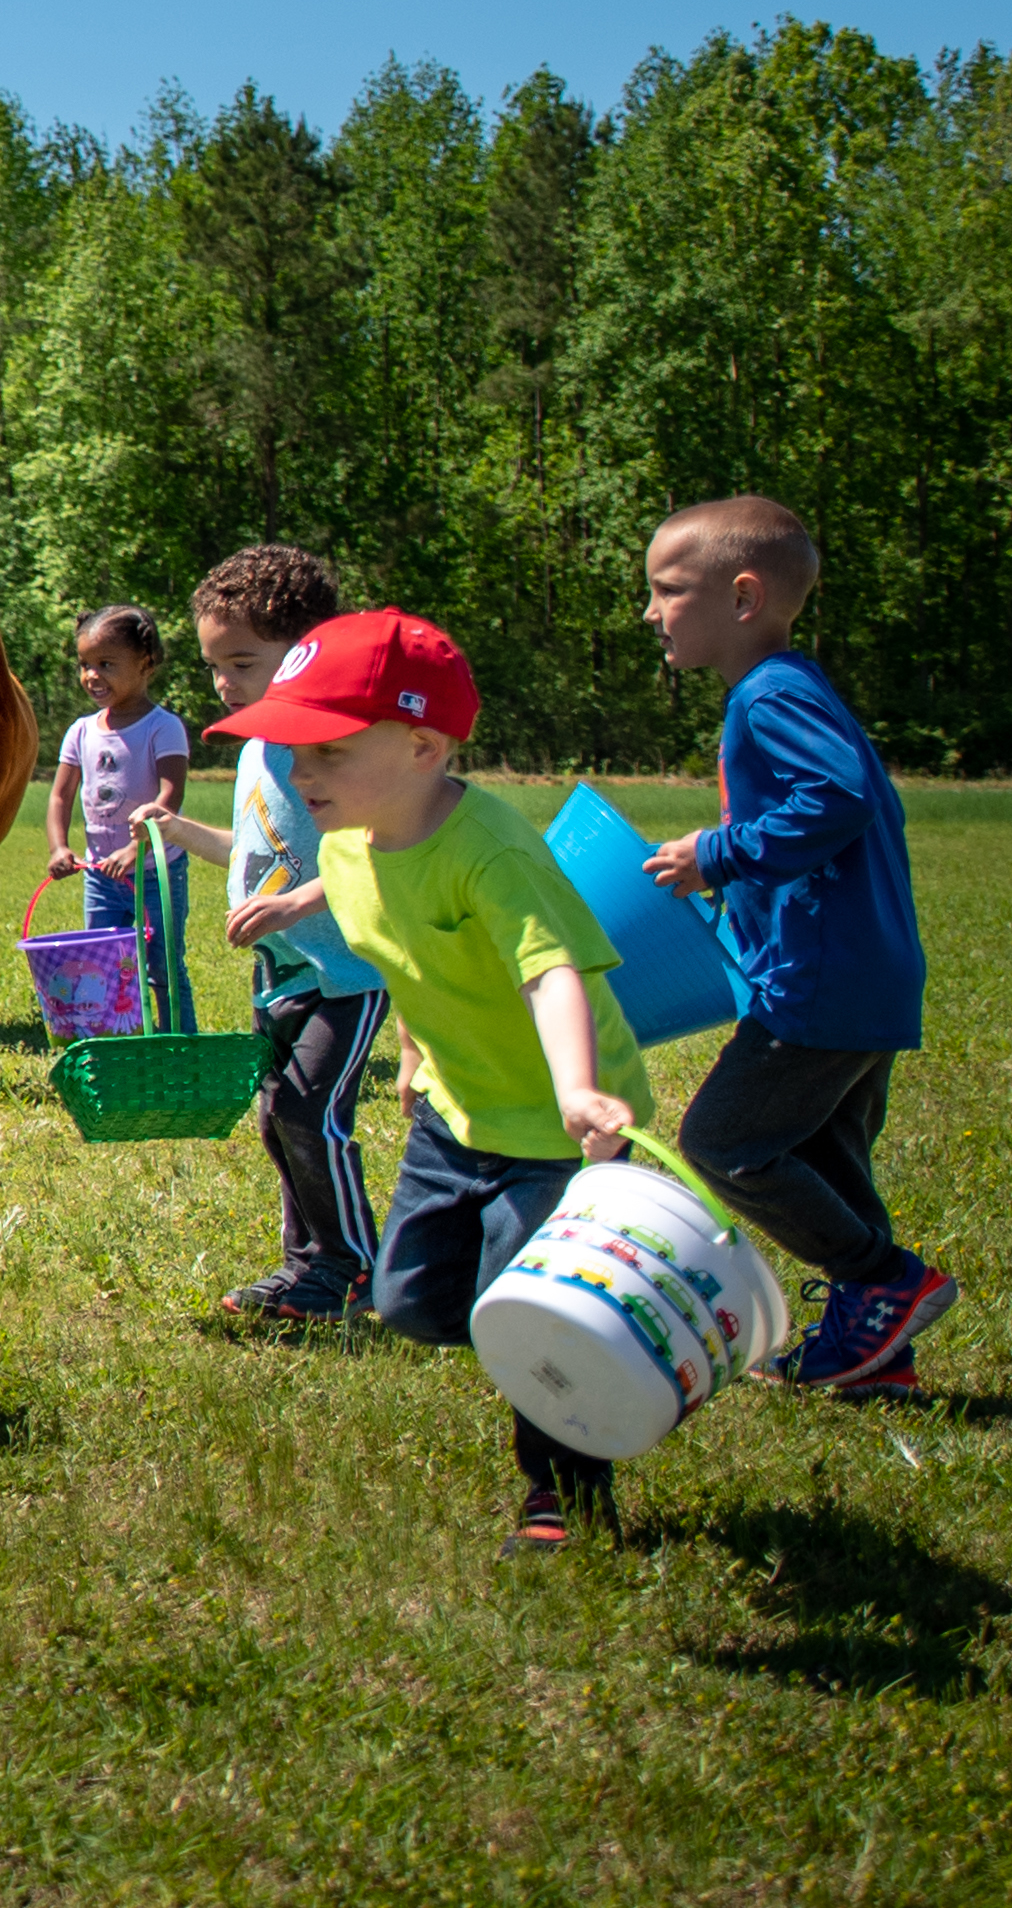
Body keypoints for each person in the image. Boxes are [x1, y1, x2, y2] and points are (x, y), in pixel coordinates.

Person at [210, 609, 651, 1556]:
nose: (297, 775)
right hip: (458, 1113)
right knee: (410, 1300)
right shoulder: (348, 840)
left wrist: (578, 1089)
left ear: (420, 745)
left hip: (558, 1124)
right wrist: (409, 1046)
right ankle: (576, 1342)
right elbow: (400, 939)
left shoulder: (492, 852)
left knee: (534, 1321)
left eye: (323, 752)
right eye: (289, 750)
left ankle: (563, 1493)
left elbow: (551, 971)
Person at [636, 497, 950, 1394]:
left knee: (726, 1142)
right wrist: (725, 862)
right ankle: (873, 1353)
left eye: (665, 590)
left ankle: (886, 1282)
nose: (649, 612)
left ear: (741, 597)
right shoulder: (792, 687)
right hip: (865, 978)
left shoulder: (767, 694)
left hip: (817, 986)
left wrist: (720, 853)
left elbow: (836, 796)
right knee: (821, 1153)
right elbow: (823, 808)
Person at [131, 547, 384, 1323]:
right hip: (279, 973)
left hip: (343, 974)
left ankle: (350, 1269)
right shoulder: (254, 750)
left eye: (241, 662)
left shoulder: (340, 743)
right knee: (278, 1118)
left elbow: (380, 852)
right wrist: (179, 831)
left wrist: (293, 905)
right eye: (213, 665)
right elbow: (252, 856)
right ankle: (302, 1264)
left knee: (311, 1114)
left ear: (306, 650)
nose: (222, 681)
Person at [46, 602, 197, 1032]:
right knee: (101, 968)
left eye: (106, 664)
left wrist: (137, 847)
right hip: (100, 878)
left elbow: (171, 795)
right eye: (85, 665)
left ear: (145, 664)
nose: (92, 676)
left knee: (163, 968)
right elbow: (60, 796)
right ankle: (115, 1043)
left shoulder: (162, 728)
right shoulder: (81, 731)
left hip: (155, 874)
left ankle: (178, 1048)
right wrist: (59, 847)